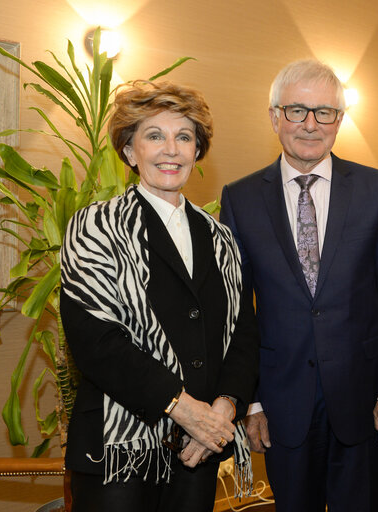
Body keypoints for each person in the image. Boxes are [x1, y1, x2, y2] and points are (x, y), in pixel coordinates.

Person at [220, 59, 378, 511]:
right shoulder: (241, 197)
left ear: (340, 120)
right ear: (274, 117)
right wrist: (250, 402)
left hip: (366, 400)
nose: (310, 124)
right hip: (280, 404)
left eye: (324, 112)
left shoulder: (376, 188)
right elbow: (236, 311)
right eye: (296, 110)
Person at [60, 81, 259, 512]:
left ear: (197, 152)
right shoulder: (96, 227)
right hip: (118, 453)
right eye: (155, 136)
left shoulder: (221, 238)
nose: (171, 149)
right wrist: (183, 409)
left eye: (183, 137)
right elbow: (96, 342)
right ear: (130, 152)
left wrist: (222, 412)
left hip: (198, 450)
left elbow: (243, 336)